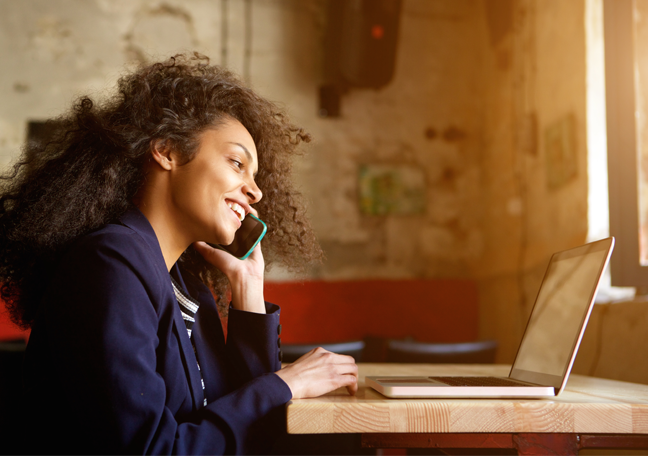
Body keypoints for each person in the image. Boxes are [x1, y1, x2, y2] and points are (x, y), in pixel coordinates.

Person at [0, 53, 358, 455]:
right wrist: (286, 384)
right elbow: (155, 450)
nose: (255, 192)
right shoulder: (110, 263)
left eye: (255, 178)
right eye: (237, 163)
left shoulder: (184, 282)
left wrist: (248, 286)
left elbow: (248, 426)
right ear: (167, 151)